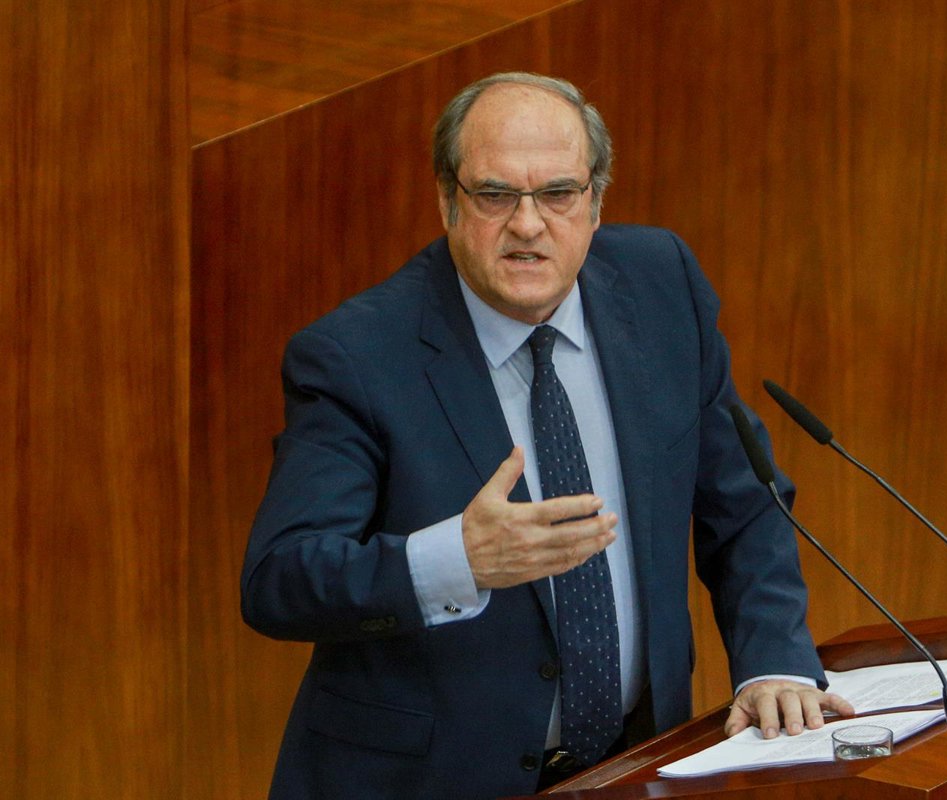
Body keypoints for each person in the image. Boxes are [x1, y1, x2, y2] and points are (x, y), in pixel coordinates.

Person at [241, 72, 852, 800]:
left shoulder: (661, 286)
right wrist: (456, 560)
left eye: (558, 193)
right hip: (428, 781)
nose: (528, 225)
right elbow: (280, 580)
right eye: (495, 195)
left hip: (632, 766)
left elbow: (744, 501)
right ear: (447, 200)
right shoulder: (357, 356)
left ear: (595, 201)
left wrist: (774, 660)